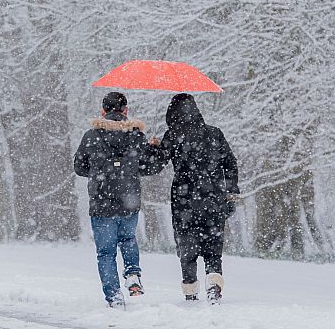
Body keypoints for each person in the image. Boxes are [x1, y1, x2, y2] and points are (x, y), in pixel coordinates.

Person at [73, 92, 163, 308]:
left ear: (103, 112)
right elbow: (150, 167)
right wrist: (154, 150)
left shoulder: (91, 136)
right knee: (128, 239)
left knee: (105, 253)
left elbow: (79, 167)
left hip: (101, 203)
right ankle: (132, 274)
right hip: (128, 200)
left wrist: (99, 171)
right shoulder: (136, 136)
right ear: (125, 111)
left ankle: (114, 296)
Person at [152, 93, 239, 304]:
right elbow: (230, 163)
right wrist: (231, 191)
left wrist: (153, 147)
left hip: (185, 200)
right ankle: (213, 287)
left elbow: (154, 165)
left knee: (187, 246)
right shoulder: (214, 133)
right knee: (213, 247)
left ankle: (190, 289)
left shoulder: (172, 135)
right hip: (213, 197)